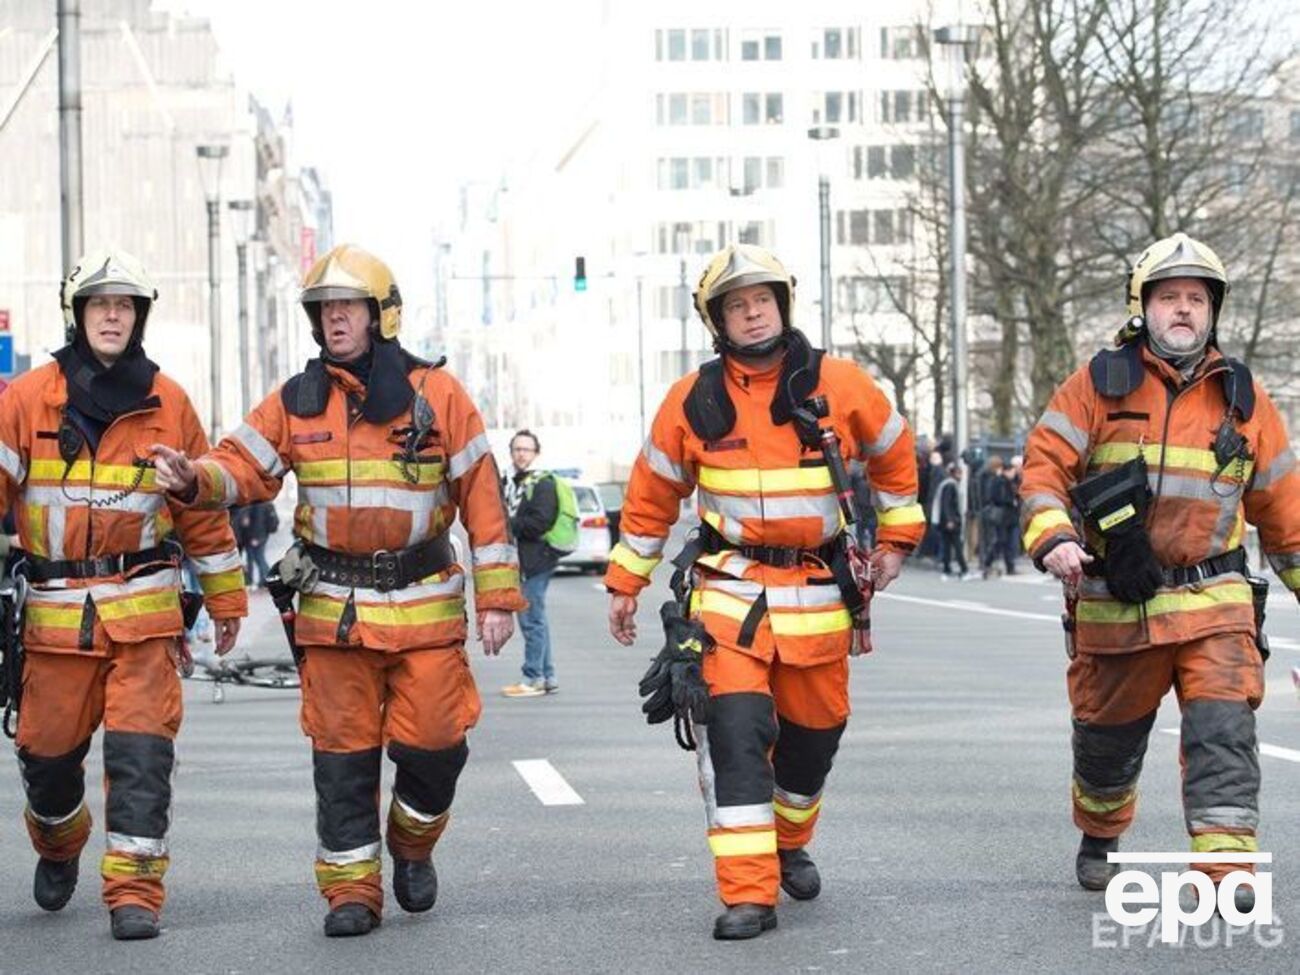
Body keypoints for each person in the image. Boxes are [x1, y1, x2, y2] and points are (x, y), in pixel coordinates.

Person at [151, 244, 525, 937]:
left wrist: (497, 598)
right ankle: (351, 890)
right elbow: (241, 467)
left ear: (381, 315)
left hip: (425, 610)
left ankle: (412, 844)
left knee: (437, 745)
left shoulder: (437, 395)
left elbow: (482, 496)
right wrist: (192, 479)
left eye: (347, 307)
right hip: (335, 614)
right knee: (342, 757)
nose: (334, 320)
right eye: (324, 310)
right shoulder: (297, 399)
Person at [605, 244, 924, 940]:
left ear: (783, 305)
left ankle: (787, 840)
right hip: (730, 592)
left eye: (762, 300)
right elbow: (653, 492)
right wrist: (625, 581)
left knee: (814, 741)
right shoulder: (692, 399)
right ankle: (748, 893)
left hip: (818, 592)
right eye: (737, 305)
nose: (753, 314)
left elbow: (895, 453)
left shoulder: (838, 383)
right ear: (717, 321)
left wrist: (898, 536)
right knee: (733, 737)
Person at [1019, 232, 1300, 908]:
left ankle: (1225, 869)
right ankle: (1100, 828)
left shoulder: (1245, 397)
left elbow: (1286, 514)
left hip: (1215, 599)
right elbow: (1043, 469)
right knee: (1106, 747)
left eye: (1195, 299)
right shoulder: (1095, 383)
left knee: (1224, 728)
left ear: (1213, 311)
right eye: (1169, 296)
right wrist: (1054, 536)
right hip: (1119, 603)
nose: (1182, 309)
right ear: (1142, 306)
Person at [0, 249, 247, 939]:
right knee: (47, 761)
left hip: (145, 620)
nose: (113, 314)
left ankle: (134, 892)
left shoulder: (169, 403)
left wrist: (226, 599)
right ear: (76, 314)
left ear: (139, 317)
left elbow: (201, 511)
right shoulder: (27, 399)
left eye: (126, 304)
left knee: (142, 759)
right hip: (55, 624)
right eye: (100, 303)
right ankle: (58, 840)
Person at [500, 429, 573, 697]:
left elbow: (539, 522)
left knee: (531, 619)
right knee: (536, 618)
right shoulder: (509, 481)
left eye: (526, 450)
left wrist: (507, 524)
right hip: (521, 559)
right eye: (517, 449)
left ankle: (532, 678)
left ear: (536, 453)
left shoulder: (543, 483)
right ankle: (547, 675)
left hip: (537, 559)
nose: (521, 454)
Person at [930, 462, 968, 579]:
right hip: (951, 522)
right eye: (959, 473)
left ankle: (946, 569)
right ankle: (963, 569)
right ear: (953, 474)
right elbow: (947, 505)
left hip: (945, 522)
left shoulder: (946, 484)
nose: (961, 476)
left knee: (947, 546)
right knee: (957, 546)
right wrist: (950, 520)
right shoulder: (951, 485)